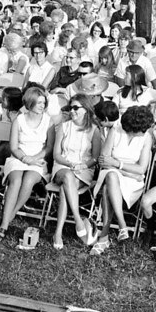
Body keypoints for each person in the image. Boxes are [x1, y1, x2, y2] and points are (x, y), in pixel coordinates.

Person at [90, 105, 155, 255]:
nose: (144, 131)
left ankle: (104, 236)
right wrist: (126, 170)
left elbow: (141, 170)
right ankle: (121, 224)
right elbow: (104, 160)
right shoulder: (116, 130)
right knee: (111, 177)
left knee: (108, 185)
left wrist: (117, 164)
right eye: (142, 129)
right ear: (132, 128)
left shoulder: (146, 137)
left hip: (133, 182)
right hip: (113, 174)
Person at [0, 86, 56, 239]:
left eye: (44, 102)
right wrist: (24, 158)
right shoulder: (19, 120)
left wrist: (34, 159)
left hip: (38, 159)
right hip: (18, 157)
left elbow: (49, 147)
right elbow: (13, 146)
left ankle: (8, 217)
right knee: (15, 180)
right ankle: (4, 225)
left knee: (28, 181)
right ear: (30, 103)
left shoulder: (49, 121)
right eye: (39, 102)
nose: (43, 105)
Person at [49, 93, 102, 248]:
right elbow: (56, 155)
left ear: (85, 109)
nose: (71, 111)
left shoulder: (94, 130)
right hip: (62, 167)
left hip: (83, 170)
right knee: (67, 176)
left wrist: (83, 166)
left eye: (75, 108)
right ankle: (78, 220)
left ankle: (58, 233)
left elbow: (95, 158)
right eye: (70, 108)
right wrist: (69, 163)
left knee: (66, 188)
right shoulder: (64, 127)